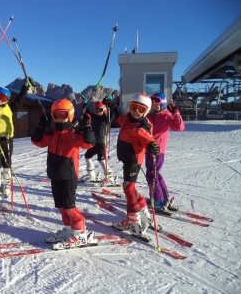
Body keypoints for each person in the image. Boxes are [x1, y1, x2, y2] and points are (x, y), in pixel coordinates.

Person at [31, 99, 96, 248]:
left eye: (63, 115)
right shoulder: (52, 132)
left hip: (69, 175)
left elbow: (89, 143)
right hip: (55, 174)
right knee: (60, 206)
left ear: (71, 115)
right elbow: (37, 141)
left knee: (69, 207)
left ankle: (80, 234)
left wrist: (86, 126)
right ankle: (69, 230)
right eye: (56, 115)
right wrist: (41, 124)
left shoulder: (75, 133)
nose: (60, 118)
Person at [110, 93, 160, 239]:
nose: (136, 112)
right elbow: (119, 115)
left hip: (133, 160)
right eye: (133, 107)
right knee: (130, 188)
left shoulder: (142, 126)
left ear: (146, 111)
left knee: (128, 188)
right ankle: (144, 214)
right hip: (127, 159)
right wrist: (112, 105)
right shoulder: (126, 119)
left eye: (141, 109)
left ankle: (133, 222)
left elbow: (150, 140)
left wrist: (153, 147)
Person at [145, 93, 185, 214]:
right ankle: (163, 197)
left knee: (152, 175)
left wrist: (176, 112)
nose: (153, 106)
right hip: (148, 149)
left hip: (158, 151)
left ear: (162, 105)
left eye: (156, 105)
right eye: (152, 104)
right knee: (156, 174)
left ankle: (157, 201)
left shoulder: (166, 116)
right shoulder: (149, 116)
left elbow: (179, 127)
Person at [79, 93, 118, 185]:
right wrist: (84, 103)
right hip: (93, 142)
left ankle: (109, 178)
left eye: (100, 110)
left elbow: (111, 114)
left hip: (101, 142)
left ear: (104, 109)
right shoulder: (95, 117)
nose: (97, 112)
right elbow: (87, 112)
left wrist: (110, 104)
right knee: (87, 156)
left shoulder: (106, 118)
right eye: (96, 110)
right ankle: (91, 174)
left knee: (102, 160)